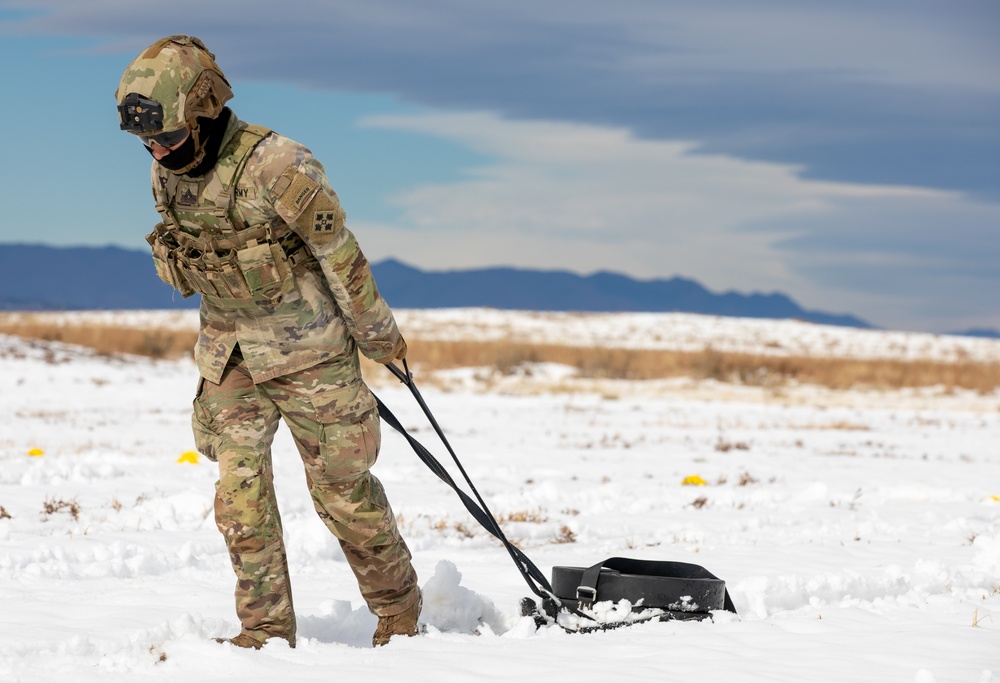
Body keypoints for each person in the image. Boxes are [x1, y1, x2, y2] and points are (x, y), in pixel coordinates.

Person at [115, 35, 420, 649]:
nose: (158, 151)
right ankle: (265, 631)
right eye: (148, 142)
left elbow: (342, 255)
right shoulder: (166, 170)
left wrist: (380, 338)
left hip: (311, 355)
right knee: (240, 502)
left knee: (343, 494)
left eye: (169, 137)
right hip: (230, 355)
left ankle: (400, 614)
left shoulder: (279, 165)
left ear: (203, 111)